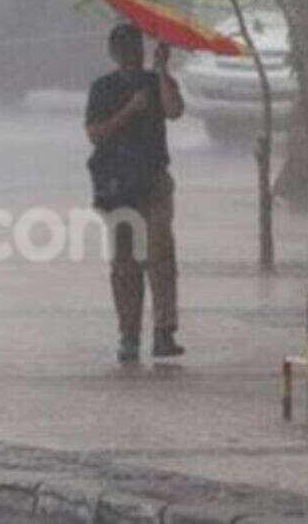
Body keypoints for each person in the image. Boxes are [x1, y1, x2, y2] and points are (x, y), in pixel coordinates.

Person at [85, 23, 185, 362]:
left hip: (154, 182)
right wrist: (130, 110)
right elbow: (95, 133)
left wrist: (161, 73)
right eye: (125, 53)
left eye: (136, 53)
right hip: (118, 187)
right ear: (115, 55)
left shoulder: (155, 83)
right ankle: (129, 333)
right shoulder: (102, 89)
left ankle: (164, 331)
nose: (131, 59)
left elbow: (174, 111)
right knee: (125, 264)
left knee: (160, 255)